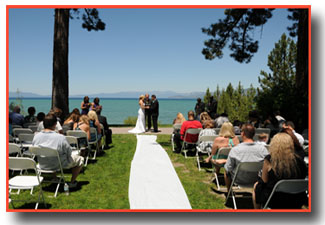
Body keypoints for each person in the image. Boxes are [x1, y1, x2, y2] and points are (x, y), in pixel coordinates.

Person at [252, 133, 307, 209]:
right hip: (297, 199)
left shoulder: (269, 160)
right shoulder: (300, 161)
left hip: (275, 200)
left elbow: (264, 181)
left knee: (256, 185)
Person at [32, 113, 84, 188]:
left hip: (42, 164)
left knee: (52, 156)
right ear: (55, 124)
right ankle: (72, 182)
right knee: (80, 159)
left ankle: (55, 178)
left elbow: (34, 150)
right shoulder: (60, 137)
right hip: (59, 164)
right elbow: (69, 152)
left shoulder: (36, 136)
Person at [223, 124, 269, 192]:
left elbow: (228, 168)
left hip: (238, 180)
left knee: (226, 171)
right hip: (257, 179)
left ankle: (229, 191)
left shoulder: (235, 150)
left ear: (243, 133)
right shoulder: (263, 150)